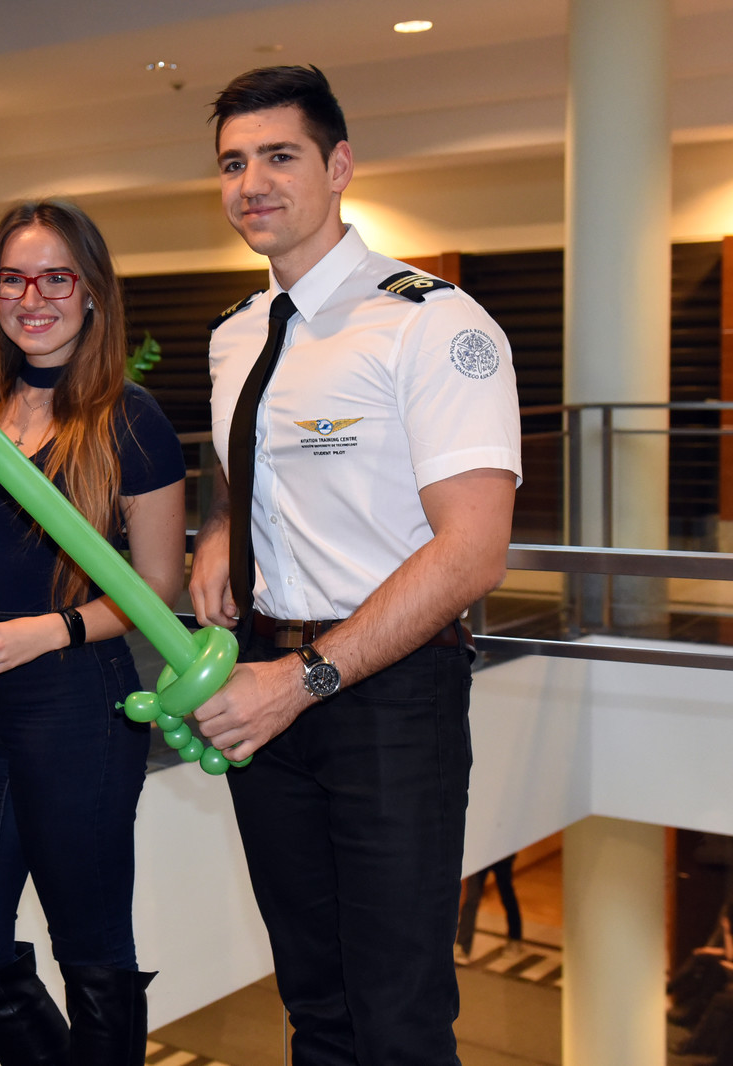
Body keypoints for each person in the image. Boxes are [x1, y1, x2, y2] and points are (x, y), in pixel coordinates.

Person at [187, 65, 521, 1063]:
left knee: (398, 1017)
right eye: (233, 163)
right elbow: (240, 470)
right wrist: (218, 533)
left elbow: (473, 550)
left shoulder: (433, 321)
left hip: (387, 695)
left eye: (279, 156)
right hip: (263, 682)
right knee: (315, 1002)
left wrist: (303, 679)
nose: (252, 183)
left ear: (338, 166)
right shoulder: (235, 336)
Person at [0, 200, 187, 1064]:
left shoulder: (131, 419)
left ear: (92, 291)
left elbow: (157, 588)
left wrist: (45, 632)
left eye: (55, 278)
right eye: (14, 279)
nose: (32, 298)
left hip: (78, 703)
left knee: (92, 951)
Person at [456, 852, 523, 962]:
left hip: (502, 855)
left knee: (507, 895)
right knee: (471, 898)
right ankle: (463, 946)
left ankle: (515, 937)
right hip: (481, 856)